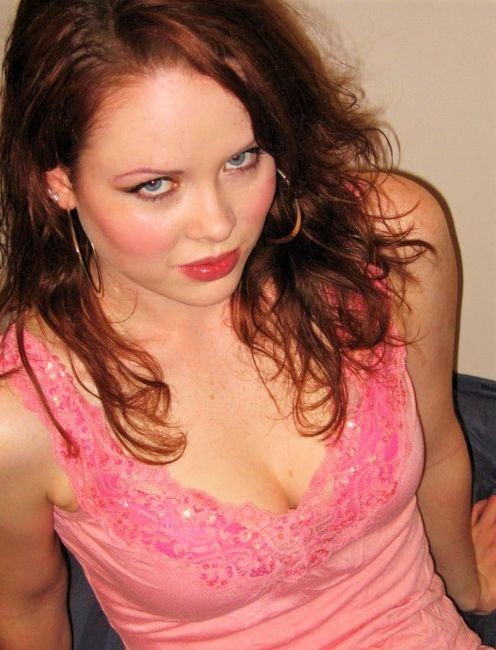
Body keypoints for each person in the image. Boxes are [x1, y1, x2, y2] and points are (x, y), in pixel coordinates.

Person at [0, 1, 495, 648]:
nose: (218, 225)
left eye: (243, 158)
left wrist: (468, 588)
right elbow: (28, 609)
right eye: (155, 186)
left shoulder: (387, 243)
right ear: (58, 180)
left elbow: (439, 440)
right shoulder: (21, 417)